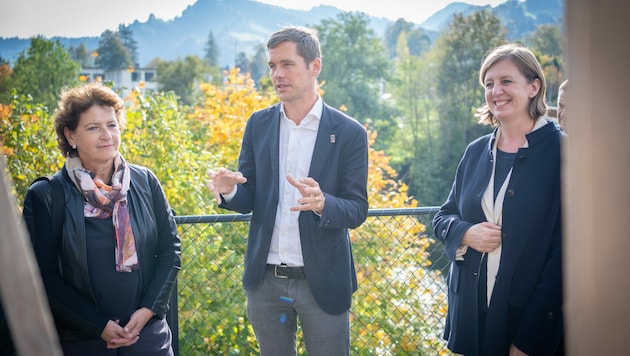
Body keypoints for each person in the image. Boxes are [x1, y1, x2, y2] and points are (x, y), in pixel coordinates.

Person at [206, 26, 368, 356]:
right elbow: (248, 196)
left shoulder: (350, 133)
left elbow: (357, 209)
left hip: (322, 283)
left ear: (315, 66)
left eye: (287, 64)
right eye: (272, 66)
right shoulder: (259, 124)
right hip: (265, 283)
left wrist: (324, 204)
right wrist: (229, 193)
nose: (277, 74)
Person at [22, 83, 181, 355]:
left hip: (147, 336)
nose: (106, 135)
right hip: (81, 341)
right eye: (93, 127)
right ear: (70, 136)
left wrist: (148, 311)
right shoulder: (47, 195)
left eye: (112, 125)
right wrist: (97, 325)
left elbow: (170, 252)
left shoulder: (145, 181)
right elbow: (41, 276)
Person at [433, 43, 564, 355]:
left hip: (528, 324)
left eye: (506, 81)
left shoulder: (564, 153)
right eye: (488, 84)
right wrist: (465, 232)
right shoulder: (476, 150)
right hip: (471, 319)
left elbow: (566, 256)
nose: (496, 91)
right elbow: (442, 217)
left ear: (534, 87)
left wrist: (529, 339)